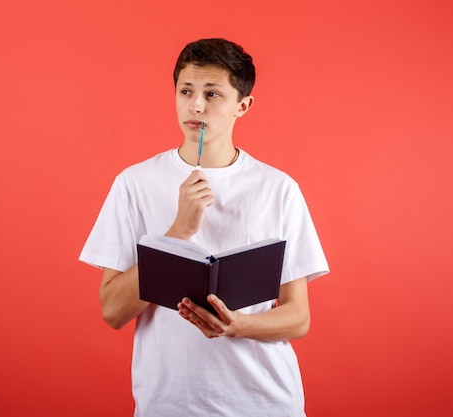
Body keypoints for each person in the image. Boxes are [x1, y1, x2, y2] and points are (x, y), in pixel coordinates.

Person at [79, 38, 329, 417]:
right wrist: (178, 230)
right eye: (186, 91)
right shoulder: (134, 183)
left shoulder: (278, 189)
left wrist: (237, 325)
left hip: (266, 404)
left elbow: (298, 317)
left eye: (213, 94)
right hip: (169, 405)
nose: (196, 105)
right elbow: (113, 311)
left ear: (242, 105)